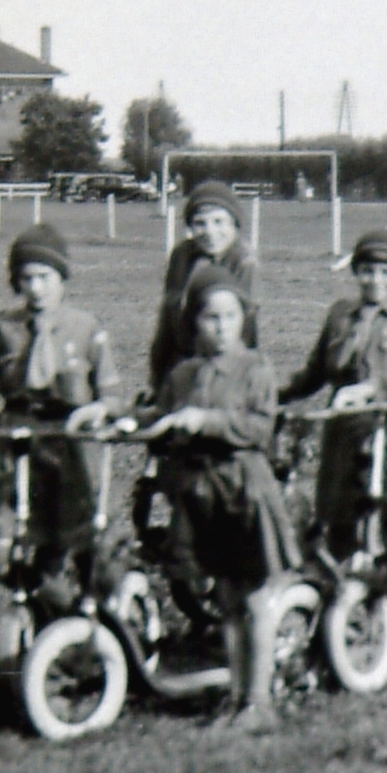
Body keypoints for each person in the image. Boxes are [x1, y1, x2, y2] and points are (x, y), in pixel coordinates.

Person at [139, 273, 304, 727]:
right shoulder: (182, 374)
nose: (222, 326)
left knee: (256, 599)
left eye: (231, 316)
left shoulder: (255, 368)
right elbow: (162, 415)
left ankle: (259, 701)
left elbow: (259, 427)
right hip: (204, 493)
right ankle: (236, 696)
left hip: (244, 490)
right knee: (227, 600)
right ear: (193, 322)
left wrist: (205, 421)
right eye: (211, 317)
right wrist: (122, 417)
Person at [0, 225, 125, 602]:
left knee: (76, 528)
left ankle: (90, 598)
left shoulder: (86, 328)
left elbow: (113, 396)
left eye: (44, 277)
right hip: (15, 437)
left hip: (68, 438)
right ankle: (20, 593)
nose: (36, 288)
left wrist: (98, 409)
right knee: (7, 523)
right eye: (26, 278)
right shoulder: (4, 328)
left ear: (62, 278)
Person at [281, 230, 387, 563]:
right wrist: (276, 392)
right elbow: (316, 370)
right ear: (356, 272)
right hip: (342, 429)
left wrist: (374, 388)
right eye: (367, 271)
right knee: (338, 510)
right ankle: (341, 574)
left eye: (386, 272)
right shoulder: (341, 314)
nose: (376, 280)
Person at [149, 180, 261, 391]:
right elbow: (168, 317)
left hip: (223, 366)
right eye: (200, 223)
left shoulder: (243, 261)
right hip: (181, 359)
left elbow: (245, 328)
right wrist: (159, 376)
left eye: (218, 221)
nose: (210, 231)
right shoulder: (181, 256)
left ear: (234, 224)